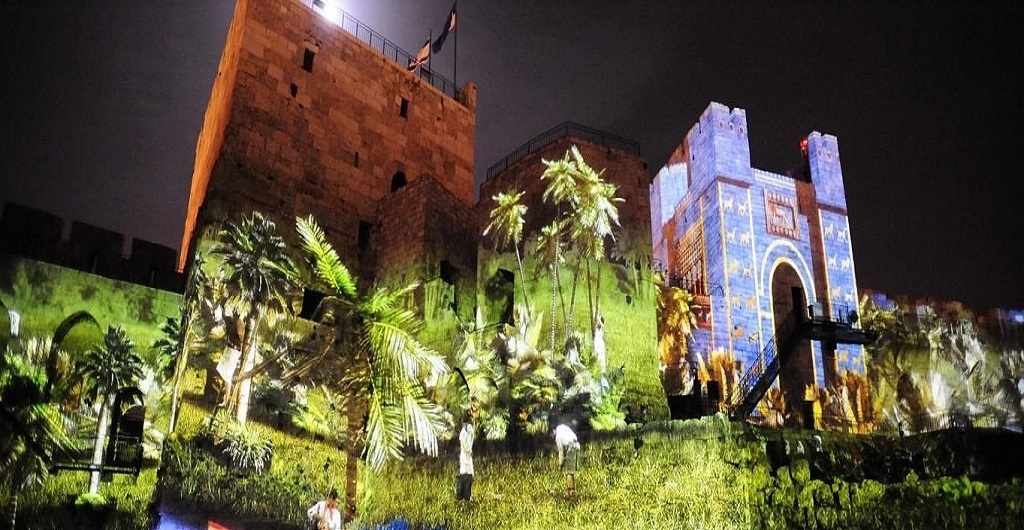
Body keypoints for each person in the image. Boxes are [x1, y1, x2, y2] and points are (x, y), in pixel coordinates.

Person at [552, 422, 580, 498]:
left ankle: (570, 492)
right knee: (571, 471)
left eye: (551, 434)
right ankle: (572, 491)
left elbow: (561, 453)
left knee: (569, 472)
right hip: (577, 445)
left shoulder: (558, 437)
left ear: (553, 431)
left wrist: (560, 466)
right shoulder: (562, 426)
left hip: (571, 447)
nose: (552, 436)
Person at [456, 414, 475, 501]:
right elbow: (462, 445)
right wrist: (466, 452)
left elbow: (471, 438)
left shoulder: (470, 430)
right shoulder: (463, 432)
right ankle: (460, 495)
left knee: (470, 476)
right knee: (463, 475)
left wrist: (469, 452)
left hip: (469, 454)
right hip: (464, 455)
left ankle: (468, 496)